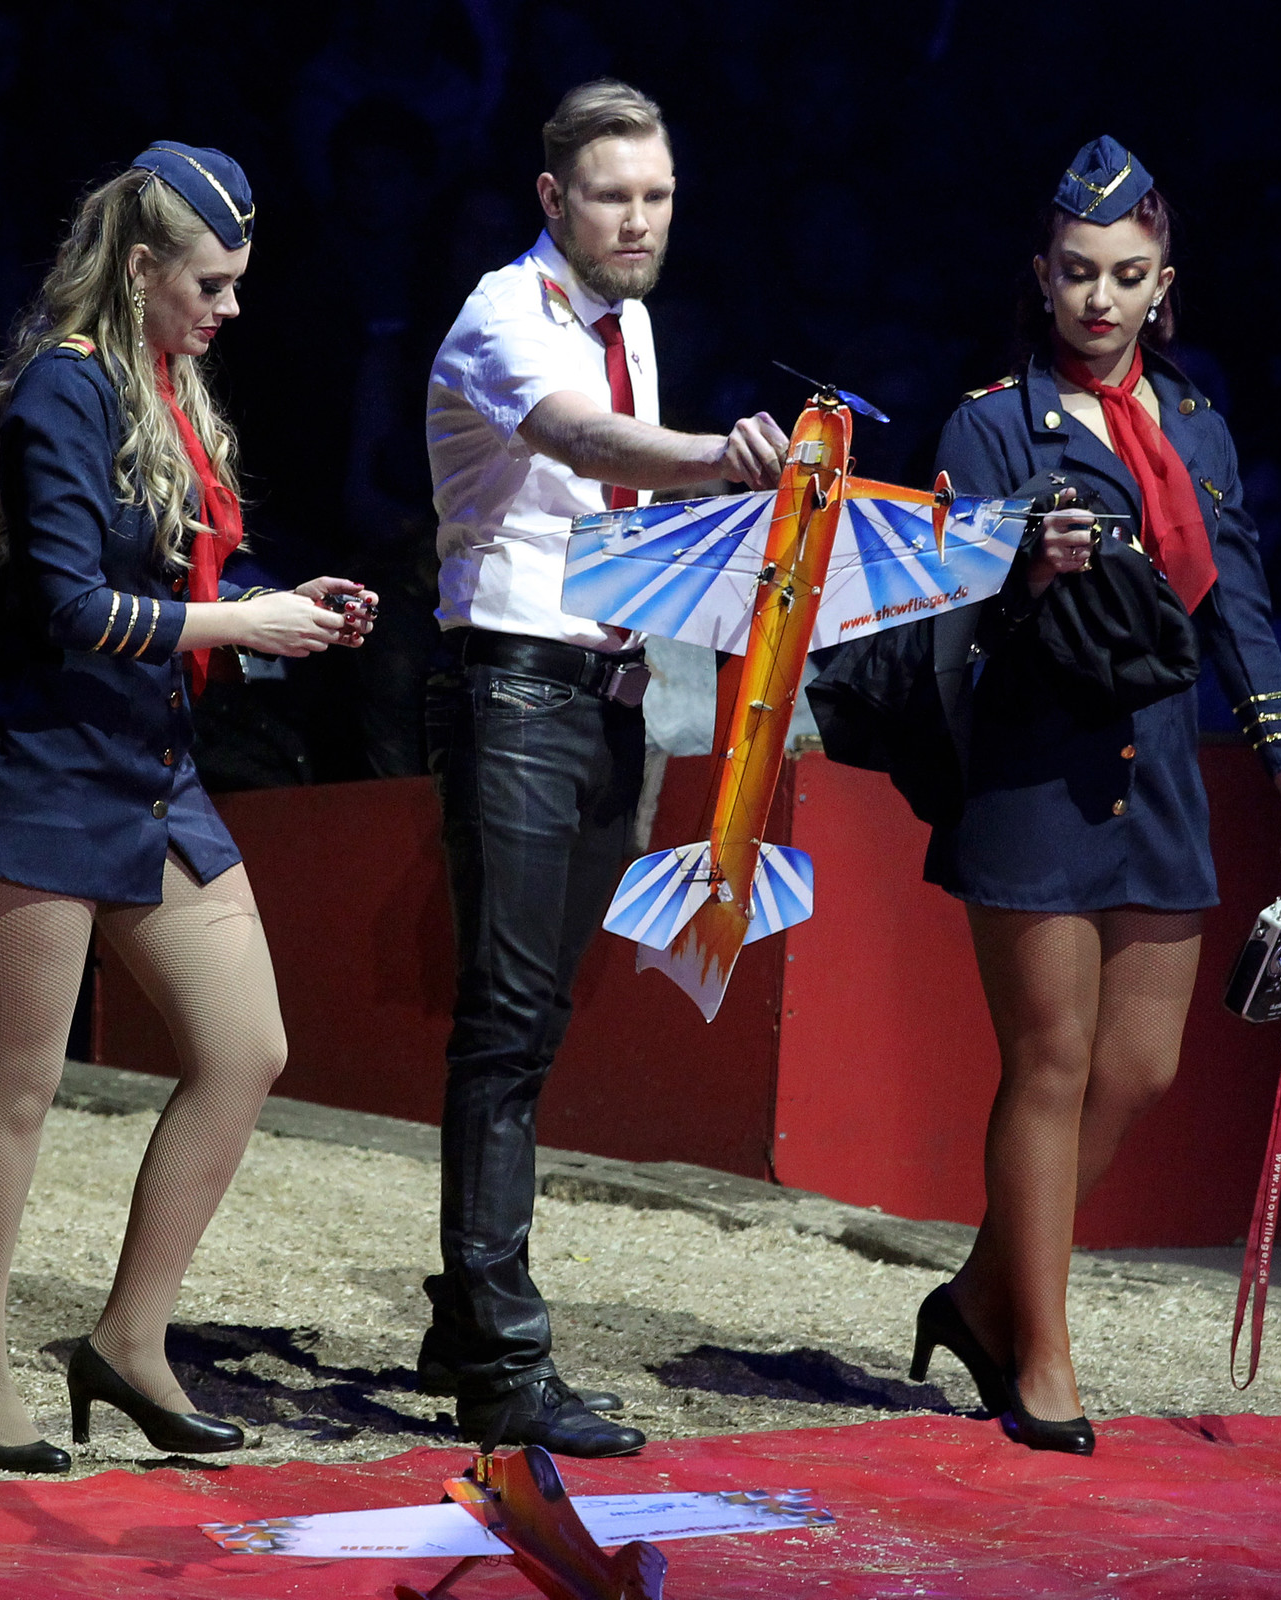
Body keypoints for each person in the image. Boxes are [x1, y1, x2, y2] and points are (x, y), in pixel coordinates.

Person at [0, 142, 373, 1473]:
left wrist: (279, 608)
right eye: (210, 283)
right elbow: (70, 605)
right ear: (139, 270)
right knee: (19, 1086)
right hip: (39, 771)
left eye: (236, 284)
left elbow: (176, 581)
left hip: (151, 768)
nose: (230, 307)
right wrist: (243, 623)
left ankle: (128, 1341)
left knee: (246, 1050)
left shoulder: (167, 384)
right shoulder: (64, 387)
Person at [910, 137, 1281, 1454]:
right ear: (1040, 275)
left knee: (1141, 1069)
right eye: (1078, 272)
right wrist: (1022, 571)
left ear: (1164, 283)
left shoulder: (1194, 423)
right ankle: (1038, 1354)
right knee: (1049, 1061)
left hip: (1157, 771)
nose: (1100, 298)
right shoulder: (991, 421)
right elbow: (931, 621)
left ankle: (980, 1293)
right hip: (1032, 771)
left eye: (1127, 275)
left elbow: (1239, 611)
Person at [422, 78, 786, 1457]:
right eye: (612, 196)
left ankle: (466, 1312)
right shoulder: (502, 312)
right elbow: (579, 438)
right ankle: (502, 1360)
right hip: (514, 687)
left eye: (658, 196)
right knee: (506, 1021)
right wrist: (718, 459)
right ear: (552, 199)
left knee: (533, 1022)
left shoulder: (626, 317)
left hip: (607, 694)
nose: (639, 220)